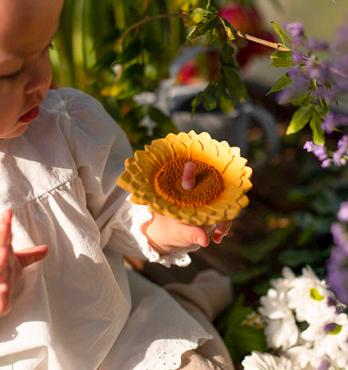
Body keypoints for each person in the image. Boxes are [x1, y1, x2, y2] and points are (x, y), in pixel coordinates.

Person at [0, 1, 235, 369]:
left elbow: (120, 209)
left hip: (111, 334)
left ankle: (186, 304)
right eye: (9, 72)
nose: (39, 81)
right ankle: (191, 299)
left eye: (46, 48)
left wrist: (168, 224)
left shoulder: (62, 127)